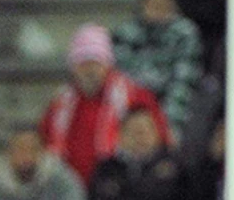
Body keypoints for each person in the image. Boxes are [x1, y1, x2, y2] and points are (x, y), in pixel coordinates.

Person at [38, 24, 170, 182]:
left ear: (108, 65)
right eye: (83, 63)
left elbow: (161, 142)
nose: (90, 70)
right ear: (73, 67)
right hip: (71, 188)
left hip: (122, 187)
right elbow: (44, 144)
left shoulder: (136, 97)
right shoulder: (60, 104)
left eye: (96, 63)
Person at [111, 0, 204, 138]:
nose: (157, 6)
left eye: (163, 1)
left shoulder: (185, 34)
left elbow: (184, 82)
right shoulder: (124, 34)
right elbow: (123, 78)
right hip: (133, 109)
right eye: (151, 1)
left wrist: (166, 124)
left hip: (174, 112)